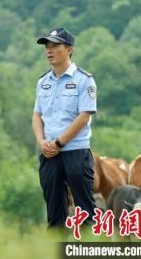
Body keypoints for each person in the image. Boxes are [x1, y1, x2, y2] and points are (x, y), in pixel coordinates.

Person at [32, 27, 97, 228]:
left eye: (54, 46)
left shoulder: (84, 80)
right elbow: (37, 115)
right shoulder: (43, 82)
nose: (49, 51)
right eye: (47, 47)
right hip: (49, 155)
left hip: (75, 152)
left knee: (85, 213)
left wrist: (59, 143)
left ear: (68, 49)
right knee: (54, 214)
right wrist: (42, 142)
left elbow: (84, 116)